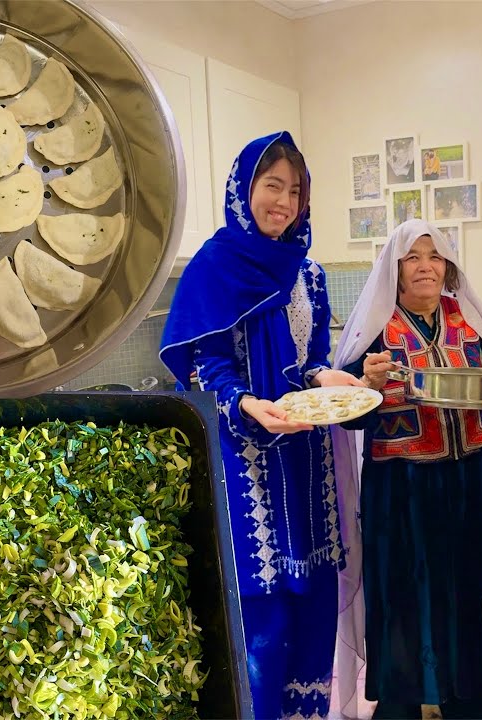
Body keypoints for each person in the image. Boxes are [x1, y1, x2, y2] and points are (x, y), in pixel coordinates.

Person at [159, 132, 361, 720]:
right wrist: (244, 402)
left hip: (307, 453)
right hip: (246, 457)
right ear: (244, 189)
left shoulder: (310, 273)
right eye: (272, 186)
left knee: (312, 596)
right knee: (262, 607)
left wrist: (328, 379)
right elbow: (204, 363)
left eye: (295, 190)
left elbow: (313, 355)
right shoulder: (214, 267)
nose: (284, 202)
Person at [330, 220, 482, 720]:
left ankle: (469, 694)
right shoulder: (376, 331)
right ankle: (402, 699)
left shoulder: (467, 323)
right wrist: (367, 382)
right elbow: (348, 412)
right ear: (396, 271)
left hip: (470, 481)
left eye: (434, 256)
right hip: (402, 487)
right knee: (405, 593)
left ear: (448, 267)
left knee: (473, 586)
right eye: (413, 257)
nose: (425, 265)